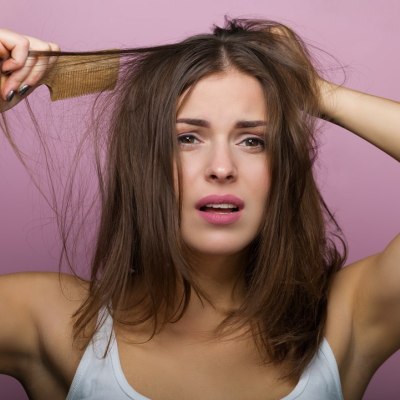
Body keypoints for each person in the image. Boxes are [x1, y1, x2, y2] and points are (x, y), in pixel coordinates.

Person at [0, 18, 399, 400]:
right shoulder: (55, 319)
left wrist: (313, 91)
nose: (222, 168)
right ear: (144, 161)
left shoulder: (346, 318)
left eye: (252, 141)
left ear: (283, 168)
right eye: (188, 138)